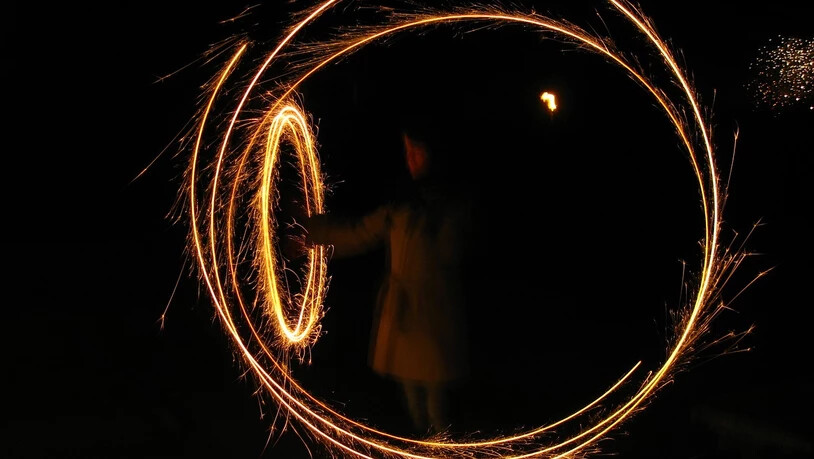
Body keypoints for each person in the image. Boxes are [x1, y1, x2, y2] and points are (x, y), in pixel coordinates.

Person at [296, 126, 472, 434]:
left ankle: (439, 448)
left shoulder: (451, 205)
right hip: (404, 314)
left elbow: (452, 254)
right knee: (412, 398)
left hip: (433, 314)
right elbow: (359, 233)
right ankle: (424, 443)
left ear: (434, 155)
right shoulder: (400, 204)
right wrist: (310, 232)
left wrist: (438, 219)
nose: (410, 159)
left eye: (417, 152)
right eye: (406, 153)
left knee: (435, 402)